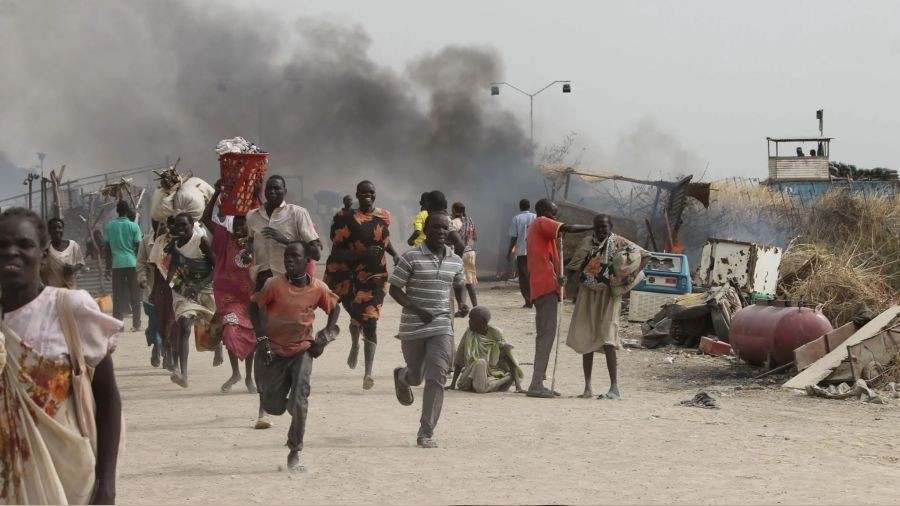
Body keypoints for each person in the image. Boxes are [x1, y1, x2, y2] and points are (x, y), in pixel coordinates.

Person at [0, 207, 122, 504]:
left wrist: (107, 485)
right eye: (1, 246)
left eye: (24, 245)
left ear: (44, 255)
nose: (11, 253)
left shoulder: (71, 309)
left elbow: (107, 398)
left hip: (69, 478)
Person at [251, 240, 341, 472]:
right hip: (275, 352)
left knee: (300, 401)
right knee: (273, 406)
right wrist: (261, 338)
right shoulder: (274, 285)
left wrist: (327, 334)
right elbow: (255, 305)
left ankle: (294, 451)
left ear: (307, 261)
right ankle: (285, 402)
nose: (289, 260)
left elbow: (335, 306)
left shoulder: (318, 288)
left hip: (302, 351)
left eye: (295, 257)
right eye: (287, 256)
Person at [247, 175, 320, 428]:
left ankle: (290, 396)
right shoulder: (252, 217)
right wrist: (247, 249)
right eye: (270, 188)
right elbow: (249, 243)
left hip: (291, 289)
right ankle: (263, 408)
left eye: (278, 188)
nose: (273, 192)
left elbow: (316, 251)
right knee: (263, 343)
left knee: (291, 345)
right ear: (265, 191)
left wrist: (284, 240)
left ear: (285, 190)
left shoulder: (297, 214)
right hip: (264, 286)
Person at [389, 211, 468, 448]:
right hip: (413, 327)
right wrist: (416, 308)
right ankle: (403, 376)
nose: (441, 232)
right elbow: (394, 288)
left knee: (437, 375)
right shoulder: (411, 257)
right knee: (416, 376)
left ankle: (426, 431)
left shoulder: (455, 260)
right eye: (436, 227)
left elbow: (459, 283)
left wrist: (463, 303)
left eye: (445, 228)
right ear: (426, 229)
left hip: (442, 325)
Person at [565, 214, 650, 400]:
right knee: (586, 335)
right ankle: (587, 387)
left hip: (610, 295)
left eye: (604, 227)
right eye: (598, 227)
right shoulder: (587, 242)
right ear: (594, 228)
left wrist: (627, 278)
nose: (601, 230)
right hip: (588, 292)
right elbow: (574, 265)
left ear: (610, 226)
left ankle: (614, 388)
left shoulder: (620, 242)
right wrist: (564, 282)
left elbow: (644, 256)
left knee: (608, 337)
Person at [324, 181, 398, 390]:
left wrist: (395, 255)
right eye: (363, 193)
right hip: (350, 277)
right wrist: (361, 253)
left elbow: (384, 238)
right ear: (357, 195)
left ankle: (368, 373)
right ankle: (356, 343)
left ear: (375, 195)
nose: (368, 196)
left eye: (371, 193)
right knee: (357, 315)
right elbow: (336, 252)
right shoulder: (347, 219)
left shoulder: (384, 216)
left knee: (371, 320)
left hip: (375, 277)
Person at [525, 199, 592, 398]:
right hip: (545, 287)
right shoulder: (541, 222)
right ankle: (536, 383)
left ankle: (539, 380)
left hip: (548, 286)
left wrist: (560, 277)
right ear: (545, 212)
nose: (556, 218)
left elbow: (550, 262)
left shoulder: (544, 235)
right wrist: (592, 226)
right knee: (546, 335)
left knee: (546, 335)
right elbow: (568, 228)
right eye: (554, 214)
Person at [201, 183, 258, 394]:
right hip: (229, 298)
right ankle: (235, 372)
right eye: (237, 224)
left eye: (244, 224)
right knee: (231, 331)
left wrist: (256, 191)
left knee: (251, 336)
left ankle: (249, 377)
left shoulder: (255, 241)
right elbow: (206, 219)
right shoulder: (225, 237)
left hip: (251, 298)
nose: (240, 227)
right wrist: (216, 193)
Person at [165, 213, 217, 388]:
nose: (180, 230)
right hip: (185, 290)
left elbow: (216, 268)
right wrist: (174, 285)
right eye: (177, 227)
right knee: (184, 325)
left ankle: (218, 349)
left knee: (217, 326)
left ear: (191, 225)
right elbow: (171, 271)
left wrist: (199, 286)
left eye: (184, 226)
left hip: (205, 289)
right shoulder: (174, 246)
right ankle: (183, 374)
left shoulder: (201, 241)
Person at [448, 306, 524, 393]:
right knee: (480, 363)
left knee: (481, 378)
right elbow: (459, 359)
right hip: (470, 376)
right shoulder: (469, 333)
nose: (469, 322)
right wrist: (453, 384)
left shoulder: (496, 334)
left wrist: (518, 387)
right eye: (469, 319)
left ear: (483, 322)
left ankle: (490, 384)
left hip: (491, 374)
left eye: (472, 320)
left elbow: (510, 360)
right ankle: (503, 380)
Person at [104, 200, 143, 331]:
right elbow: (138, 247)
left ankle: (118, 325)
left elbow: (107, 248)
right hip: (132, 263)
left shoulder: (110, 226)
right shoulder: (134, 227)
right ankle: (136, 324)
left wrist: (107, 267)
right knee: (135, 295)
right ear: (127, 211)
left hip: (116, 265)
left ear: (117, 211)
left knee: (118, 295)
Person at [137, 220, 167, 368]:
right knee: (155, 324)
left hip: (171, 291)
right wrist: (142, 280)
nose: (163, 226)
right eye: (160, 223)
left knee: (170, 324)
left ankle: (167, 352)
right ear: (154, 224)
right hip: (151, 291)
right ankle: (156, 345)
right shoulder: (145, 242)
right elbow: (141, 264)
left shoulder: (175, 241)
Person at [508, 199, 537, 308]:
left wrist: (508, 252)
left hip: (521, 252)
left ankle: (528, 300)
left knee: (524, 277)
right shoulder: (535, 217)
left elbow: (513, 237)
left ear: (520, 207)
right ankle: (534, 298)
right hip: (534, 251)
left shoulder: (516, 218)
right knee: (533, 275)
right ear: (529, 206)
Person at [42, 218, 85, 289]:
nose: (57, 230)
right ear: (49, 231)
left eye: (60, 227)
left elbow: (81, 263)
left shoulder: (73, 245)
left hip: (70, 288)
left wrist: (73, 269)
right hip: (53, 290)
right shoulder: (46, 248)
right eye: (54, 228)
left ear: (63, 229)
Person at [450, 202, 478, 310]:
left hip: (460, 253)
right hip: (471, 252)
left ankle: (461, 307)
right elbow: (475, 237)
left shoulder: (455, 222)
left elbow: (451, 237)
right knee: (469, 281)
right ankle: (475, 306)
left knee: (460, 281)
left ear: (454, 210)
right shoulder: (470, 220)